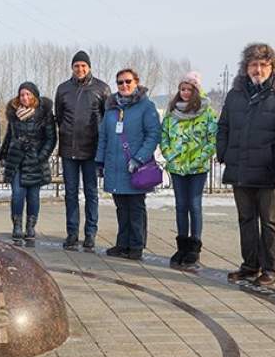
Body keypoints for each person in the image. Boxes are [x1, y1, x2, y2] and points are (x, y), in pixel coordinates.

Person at [217, 42, 275, 286]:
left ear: (273, 67)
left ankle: (270, 268)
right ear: (246, 68)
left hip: (269, 170)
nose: (258, 70)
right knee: (246, 219)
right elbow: (224, 126)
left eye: (264, 65)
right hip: (240, 167)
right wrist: (223, 153)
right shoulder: (236, 94)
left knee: (270, 221)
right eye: (253, 65)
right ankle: (250, 265)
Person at [96, 68, 160, 260]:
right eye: (120, 82)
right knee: (121, 207)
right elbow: (104, 137)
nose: (124, 85)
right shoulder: (111, 109)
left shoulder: (146, 107)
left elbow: (153, 135)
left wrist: (139, 158)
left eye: (128, 81)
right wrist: (100, 161)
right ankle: (122, 243)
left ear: (136, 82)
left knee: (136, 207)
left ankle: (136, 245)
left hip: (135, 167)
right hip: (115, 166)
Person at [159, 71, 218, 269]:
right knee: (180, 205)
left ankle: (194, 247)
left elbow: (212, 139)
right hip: (177, 166)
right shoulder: (172, 112)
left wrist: (199, 158)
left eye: (189, 89)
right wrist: (169, 154)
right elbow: (164, 136)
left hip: (197, 167)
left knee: (194, 204)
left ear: (196, 91)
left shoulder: (206, 112)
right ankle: (182, 245)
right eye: (182, 89)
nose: (185, 92)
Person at [54, 50, 110, 251]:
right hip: (69, 149)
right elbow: (59, 116)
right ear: (72, 67)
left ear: (89, 67)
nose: (80, 69)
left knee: (91, 193)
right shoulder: (63, 89)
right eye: (76, 66)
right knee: (70, 194)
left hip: (91, 149)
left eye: (83, 66)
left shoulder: (101, 88)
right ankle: (72, 233)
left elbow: (107, 118)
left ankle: (90, 233)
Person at [2, 82, 57, 247]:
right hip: (17, 159)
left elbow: (51, 138)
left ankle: (30, 226)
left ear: (34, 96)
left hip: (35, 161)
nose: (25, 98)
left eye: (28, 94)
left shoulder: (44, 114)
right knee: (17, 194)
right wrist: (3, 154)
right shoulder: (14, 114)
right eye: (22, 95)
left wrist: (41, 156)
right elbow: (9, 136)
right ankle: (17, 225)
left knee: (33, 196)